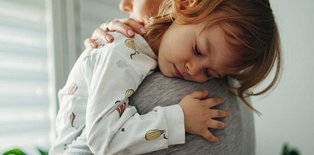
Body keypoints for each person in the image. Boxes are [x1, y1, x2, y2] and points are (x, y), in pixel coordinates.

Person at [50, 0, 281, 154]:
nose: (193, 70)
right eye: (198, 50)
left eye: (210, 73)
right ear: (183, 6)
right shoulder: (121, 51)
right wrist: (179, 119)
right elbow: (103, 139)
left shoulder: (146, 54)